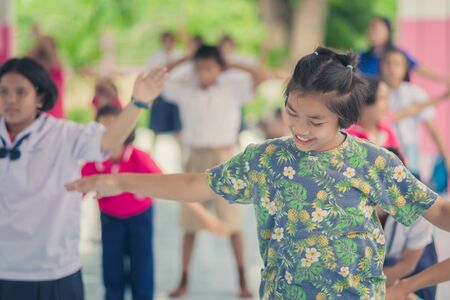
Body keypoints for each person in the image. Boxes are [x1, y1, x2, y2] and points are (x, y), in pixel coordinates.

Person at [66, 47, 450, 299]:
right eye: (292, 113)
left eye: (315, 121)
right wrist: (115, 181)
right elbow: (193, 184)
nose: (299, 128)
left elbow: (438, 212)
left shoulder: (374, 162)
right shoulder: (266, 160)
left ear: (343, 118)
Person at [0, 57, 167, 300]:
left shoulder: (64, 134)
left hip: (53, 270)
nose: (11, 99)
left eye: (20, 92)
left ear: (40, 97)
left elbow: (109, 140)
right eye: (3, 92)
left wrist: (139, 102)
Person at [159, 44, 269, 298]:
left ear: (220, 69)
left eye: (210, 68)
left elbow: (260, 75)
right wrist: (186, 56)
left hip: (225, 158)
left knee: (233, 224)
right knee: (189, 224)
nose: (204, 73)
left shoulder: (233, 88)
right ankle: (183, 281)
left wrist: (232, 64)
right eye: (199, 68)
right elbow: (160, 76)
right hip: (195, 157)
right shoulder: (185, 89)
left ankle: (242, 281)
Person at [81, 105, 161, 300]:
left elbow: (162, 183)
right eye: (103, 128)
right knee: (111, 267)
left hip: (140, 218)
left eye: (115, 127)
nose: (110, 133)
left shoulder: (138, 157)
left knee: (142, 267)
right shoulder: (94, 162)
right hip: (110, 219)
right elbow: (76, 191)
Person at [380, 47, 450, 178]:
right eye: (387, 63)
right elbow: (391, 117)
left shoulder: (415, 92)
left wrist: (447, 158)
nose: (391, 69)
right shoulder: (375, 93)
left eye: (397, 64)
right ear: (381, 66)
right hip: (383, 155)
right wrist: (440, 98)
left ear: (405, 68)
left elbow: (432, 129)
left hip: (410, 157)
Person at [358, 16, 450, 84]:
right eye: (370, 29)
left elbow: (418, 67)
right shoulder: (361, 57)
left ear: (388, 32)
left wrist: (443, 79)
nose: (371, 33)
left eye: (376, 29)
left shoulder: (397, 55)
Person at [27, 26, 65, 119]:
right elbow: (26, 61)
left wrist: (39, 36)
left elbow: (48, 50)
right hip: (35, 121)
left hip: (54, 120)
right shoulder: (31, 74)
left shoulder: (57, 73)